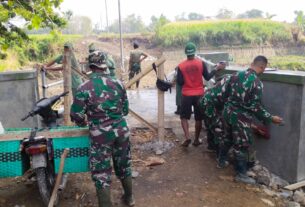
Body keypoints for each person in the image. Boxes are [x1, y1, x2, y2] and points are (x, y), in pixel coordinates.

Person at [70, 51, 135, 207]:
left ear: (91, 66)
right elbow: (125, 110)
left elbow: (77, 115)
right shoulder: (119, 83)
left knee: (101, 174)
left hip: (100, 136)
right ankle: (130, 198)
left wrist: (84, 121)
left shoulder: (83, 87)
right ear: (105, 65)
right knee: (124, 165)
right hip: (121, 131)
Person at [223, 55, 283, 184]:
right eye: (264, 69)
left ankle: (221, 161)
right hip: (241, 118)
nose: (263, 71)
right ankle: (241, 174)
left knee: (227, 138)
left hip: (228, 113)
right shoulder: (257, 83)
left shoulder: (235, 75)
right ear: (262, 67)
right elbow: (256, 107)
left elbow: (226, 93)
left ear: (252, 63)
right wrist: (271, 118)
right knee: (242, 145)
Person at [177, 42, 225, 147]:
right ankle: (196, 139)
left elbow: (180, 82)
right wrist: (216, 69)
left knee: (184, 117)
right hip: (199, 94)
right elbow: (207, 77)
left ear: (186, 53)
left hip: (186, 94)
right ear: (195, 52)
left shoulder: (181, 66)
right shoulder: (200, 63)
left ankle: (187, 137)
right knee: (198, 118)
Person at [199, 74, 231, 168]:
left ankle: (211, 146)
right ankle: (220, 158)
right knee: (219, 130)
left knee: (210, 126)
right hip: (209, 107)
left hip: (204, 105)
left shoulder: (215, 88)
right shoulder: (223, 89)